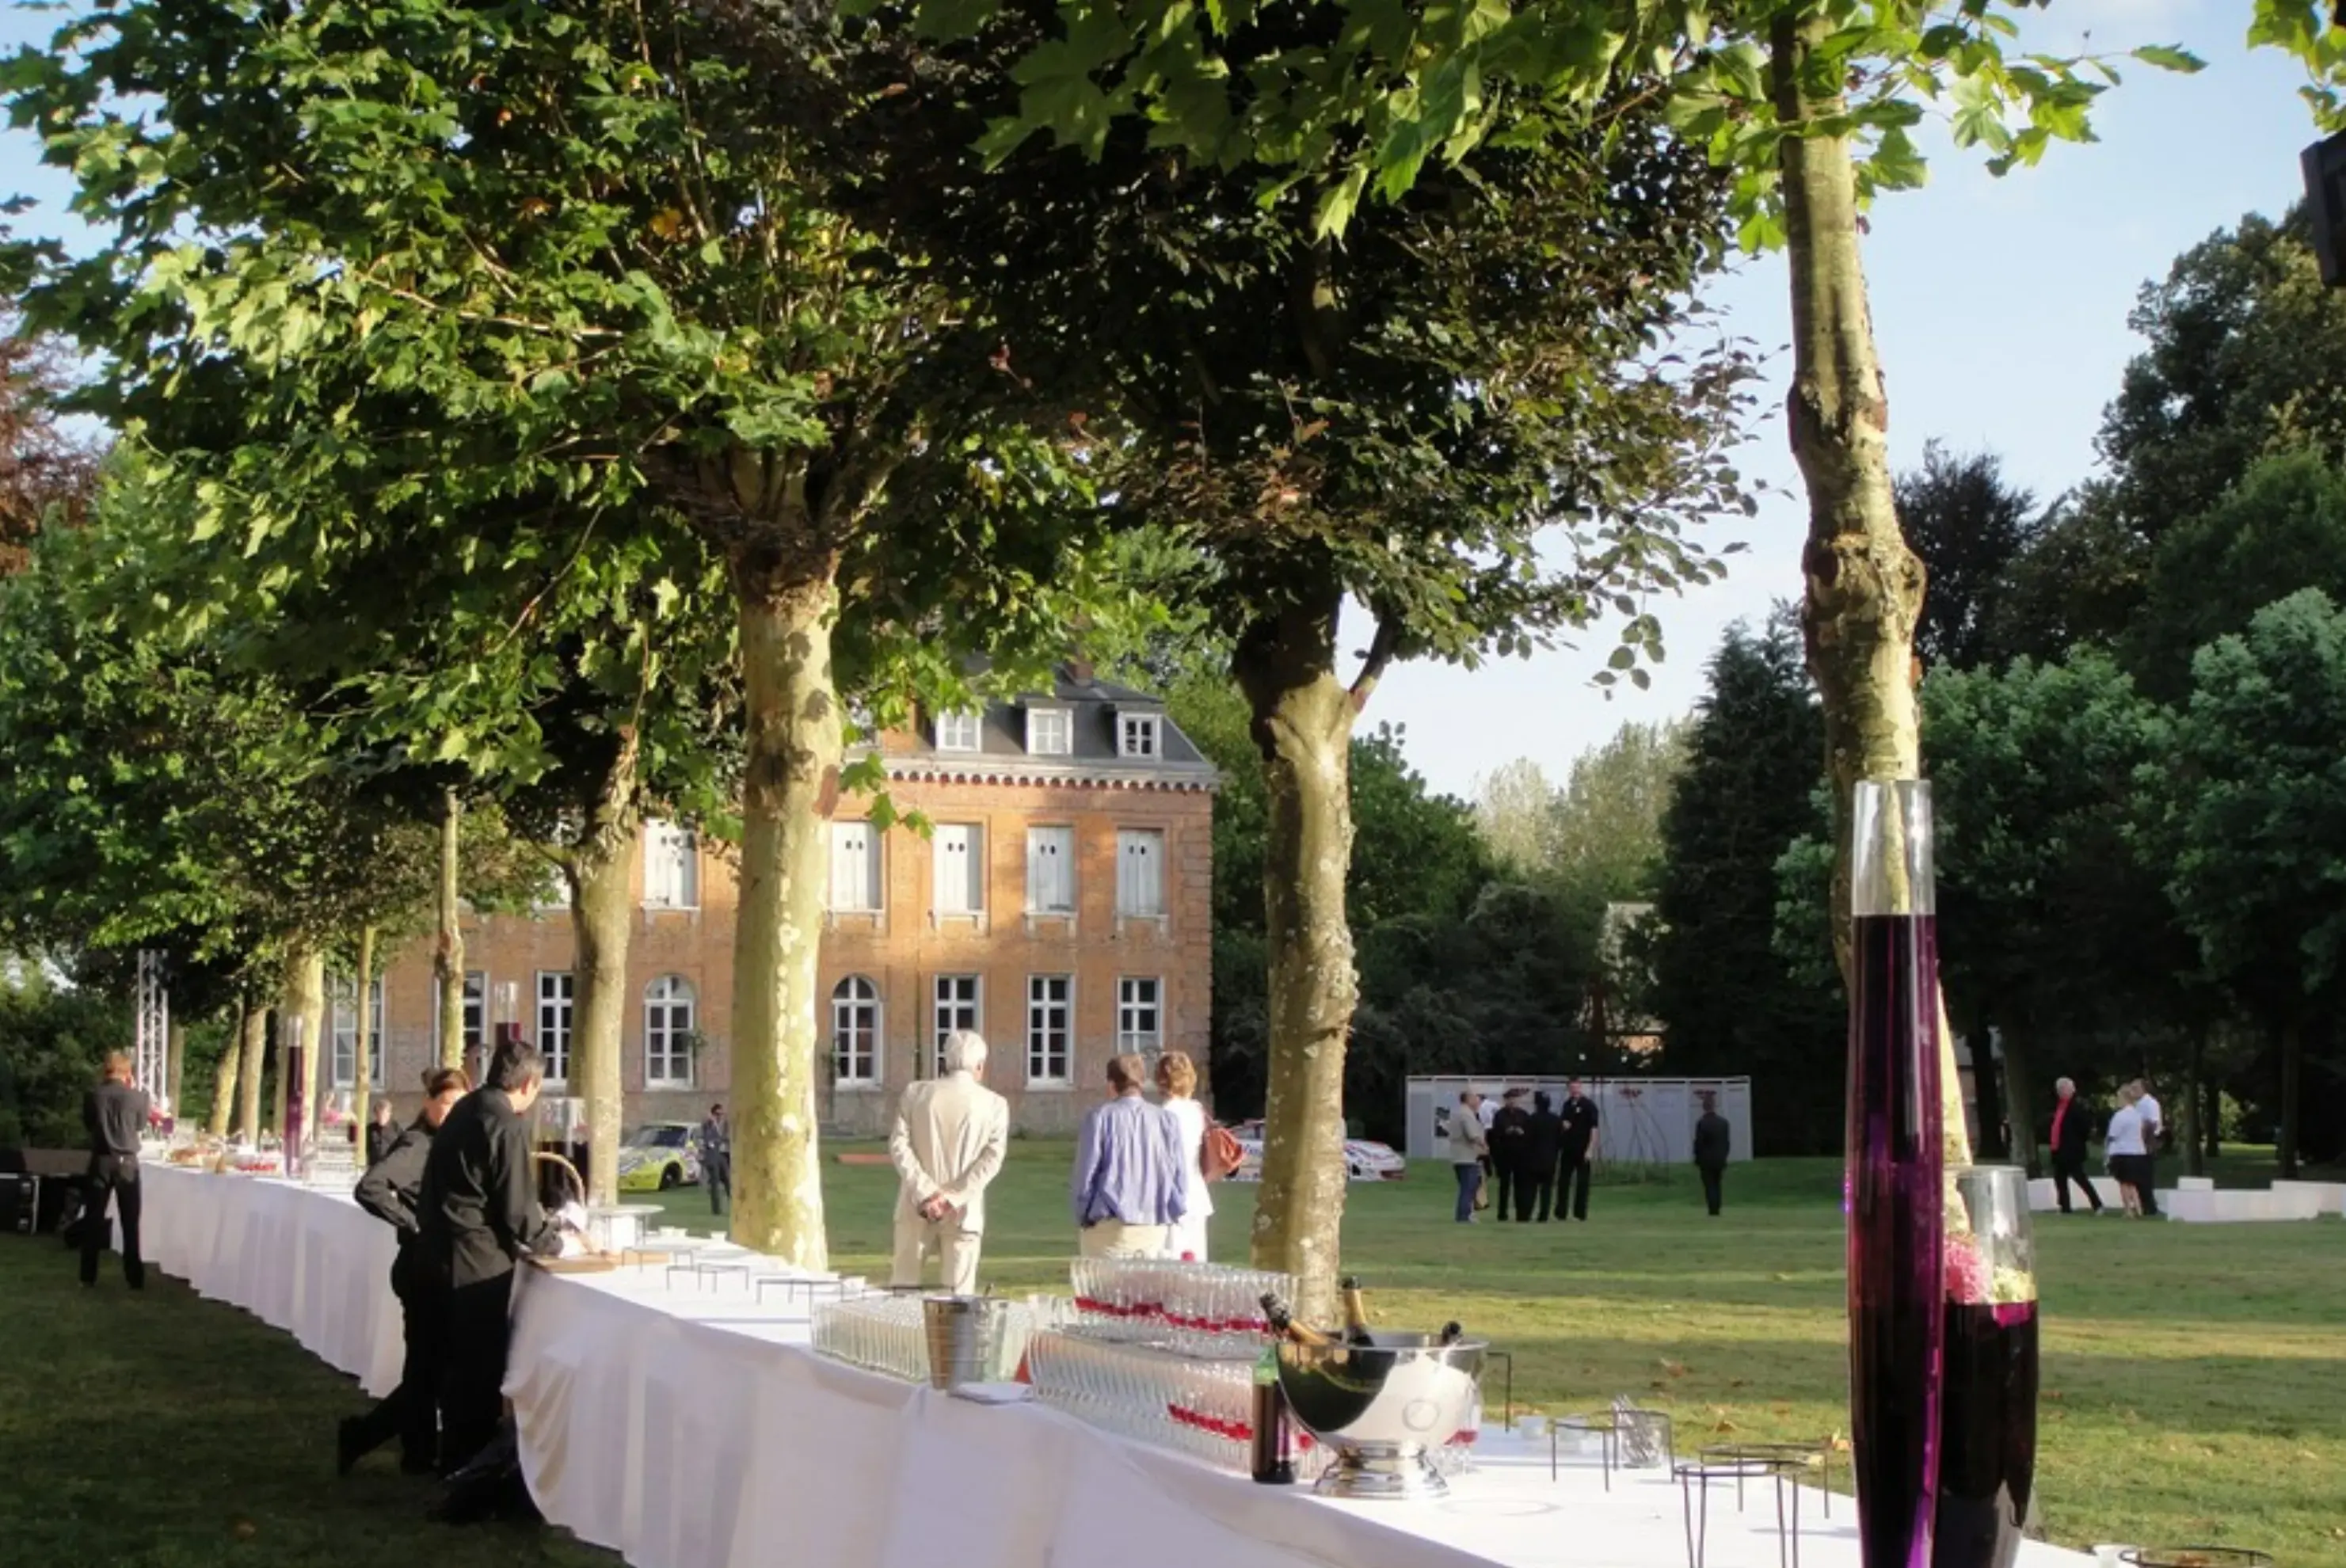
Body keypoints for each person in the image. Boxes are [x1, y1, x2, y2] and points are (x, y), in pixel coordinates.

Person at [417, 1041, 571, 1474]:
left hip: (441, 1246)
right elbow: (518, 1207)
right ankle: (470, 1468)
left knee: (454, 1364)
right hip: (477, 1259)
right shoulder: (506, 1123)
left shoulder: (467, 1108)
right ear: (529, 1083)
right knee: (478, 1366)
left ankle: (452, 1458)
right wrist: (553, 1242)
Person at [344, 1066, 471, 1476]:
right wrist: (414, 1223)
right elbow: (371, 1187)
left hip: (428, 1266)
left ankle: (415, 1451)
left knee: (427, 1368)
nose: (452, 1112)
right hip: (420, 1269)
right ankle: (376, 1440)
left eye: (460, 1105)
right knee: (428, 1371)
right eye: (446, 1103)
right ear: (428, 1102)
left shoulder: (444, 1142)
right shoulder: (419, 1144)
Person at [888, 1029, 1009, 1292]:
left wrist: (926, 1191)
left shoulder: (916, 1094)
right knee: (958, 1298)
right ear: (980, 1066)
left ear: (945, 1061)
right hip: (963, 1211)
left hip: (916, 1205)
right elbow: (991, 1160)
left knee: (903, 1291)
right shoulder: (995, 1105)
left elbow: (899, 1146)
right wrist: (953, 1197)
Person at [1069, 1053, 1187, 1258]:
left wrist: (1083, 1215)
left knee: (1104, 1279)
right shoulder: (1167, 1120)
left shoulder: (1100, 1118)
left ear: (1111, 1084)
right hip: (1154, 1223)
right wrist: (1173, 1210)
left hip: (1110, 1224)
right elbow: (1179, 1176)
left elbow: (1086, 1174)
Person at [79, 1051, 150, 1289]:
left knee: (93, 1218)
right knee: (130, 1220)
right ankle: (134, 1276)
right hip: (127, 1160)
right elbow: (140, 1125)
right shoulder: (138, 1097)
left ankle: (87, 1275)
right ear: (128, 1073)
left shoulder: (93, 1095)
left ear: (105, 1071)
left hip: (101, 1159)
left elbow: (89, 1124)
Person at [1154, 1051, 1215, 1262]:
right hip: (1196, 1191)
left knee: (1172, 1260)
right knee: (1195, 1258)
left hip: (1172, 1196)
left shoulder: (1164, 1113)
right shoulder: (1196, 1110)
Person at [2047, 1077, 2103, 1216]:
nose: (2060, 1091)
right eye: (2059, 1089)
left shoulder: (2076, 1106)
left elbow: (2084, 1127)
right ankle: (2065, 1207)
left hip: (2072, 1149)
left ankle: (2097, 1204)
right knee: (2060, 1179)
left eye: (2063, 1088)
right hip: (2059, 1148)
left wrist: (2078, 1141)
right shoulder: (2059, 1106)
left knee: (2080, 1178)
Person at [1556, 1078, 1601, 1222]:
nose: (1574, 1090)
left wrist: (1590, 1149)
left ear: (1581, 1088)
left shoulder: (1589, 1106)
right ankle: (1561, 1213)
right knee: (1563, 1181)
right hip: (1568, 1148)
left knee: (1582, 1182)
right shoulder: (1567, 1105)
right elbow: (1562, 1122)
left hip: (1582, 1148)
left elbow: (1594, 1129)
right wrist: (1563, 1125)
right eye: (1572, 1088)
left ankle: (1580, 1213)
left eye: (1577, 1087)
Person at [1489, 1087, 1532, 1220]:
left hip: (1521, 1154)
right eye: (1510, 1099)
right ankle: (1502, 1213)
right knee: (1504, 1185)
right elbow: (1494, 1134)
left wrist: (1522, 1133)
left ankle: (1521, 1213)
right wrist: (1505, 1132)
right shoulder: (1500, 1115)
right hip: (1505, 1154)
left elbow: (1530, 1133)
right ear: (1506, 1100)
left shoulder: (1524, 1115)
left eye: (1515, 1099)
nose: (1513, 1102)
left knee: (1520, 1185)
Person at [2105, 1087, 2146, 1218]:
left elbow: (2113, 1135)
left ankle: (2128, 1209)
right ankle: (2139, 1208)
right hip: (2137, 1151)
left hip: (2122, 1151)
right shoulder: (2138, 1115)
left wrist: (2107, 1150)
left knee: (2124, 1182)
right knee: (2132, 1183)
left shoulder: (2120, 1116)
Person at [1523, 1091, 1563, 1223]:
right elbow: (1560, 1140)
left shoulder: (1531, 1119)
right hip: (1550, 1159)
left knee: (1530, 1189)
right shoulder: (1556, 1120)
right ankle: (1543, 1215)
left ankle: (1527, 1213)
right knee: (1547, 1189)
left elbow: (1527, 1139)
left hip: (1533, 1159)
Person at [1449, 1091, 1488, 1223]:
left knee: (1465, 1186)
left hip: (1457, 1156)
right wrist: (1484, 1146)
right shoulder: (1467, 1114)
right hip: (1467, 1156)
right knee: (1469, 1187)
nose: (1478, 1101)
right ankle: (1464, 1215)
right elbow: (1473, 1135)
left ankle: (1463, 1214)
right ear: (1469, 1099)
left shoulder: (1456, 1112)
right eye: (1476, 1098)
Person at [2129, 1078, 2163, 1218]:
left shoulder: (2150, 1103)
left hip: (2147, 1143)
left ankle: (2150, 1206)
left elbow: (2153, 1123)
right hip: (2137, 1143)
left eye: (2135, 1088)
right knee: (2139, 1176)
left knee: (2146, 1176)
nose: (2133, 1092)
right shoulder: (2137, 1104)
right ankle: (2143, 1204)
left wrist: (2143, 1138)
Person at [1693, 1093, 1731, 1216]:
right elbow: (1726, 1143)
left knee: (1709, 1184)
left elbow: (1699, 1143)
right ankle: (1717, 1206)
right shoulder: (1724, 1123)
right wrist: (1724, 1156)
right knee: (1717, 1183)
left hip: (1706, 1159)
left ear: (1704, 1107)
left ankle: (1712, 1208)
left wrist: (1697, 1158)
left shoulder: (1702, 1123)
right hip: (1719, 1158)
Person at [697, 1102, 731, 1218]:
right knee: (715, 1183)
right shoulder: (709, 1124)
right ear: (713, 1114)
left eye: (721, 1114)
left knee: (727, 1179)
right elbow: (706, 1133)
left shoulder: (721, 1125)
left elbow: (722, 1138)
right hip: (712, 1157)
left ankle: (734, 1203)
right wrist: (709, 1120)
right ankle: (716, 1210)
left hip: (720, 1155)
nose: (719, 1116)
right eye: (717, 1114)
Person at [366, 1098, 400, 1167]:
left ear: (389, 1114)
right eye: (378, 1115)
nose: (381, 1118)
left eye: (384, 1115)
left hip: (391, 1166)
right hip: (374, 1166)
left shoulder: (396, 1128)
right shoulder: (370, 1129)